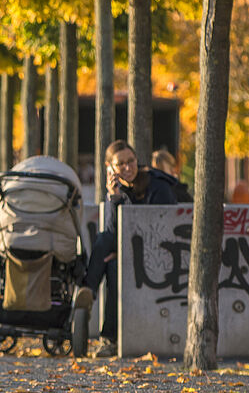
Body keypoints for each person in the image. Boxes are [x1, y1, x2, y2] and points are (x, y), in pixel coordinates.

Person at [86, 139, 177, 357]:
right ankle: (108, 338)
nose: (128, 167)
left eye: (131, 161)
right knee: (109, 256)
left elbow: (161, 229)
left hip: (161, 254)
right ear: (111, 168)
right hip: (129, 253)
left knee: (112, 258)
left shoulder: (157, 186)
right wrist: (114, 198)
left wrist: (125, 251)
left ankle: (88, 291)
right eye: (121, 164)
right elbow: (112, 232)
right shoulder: (116, 191)